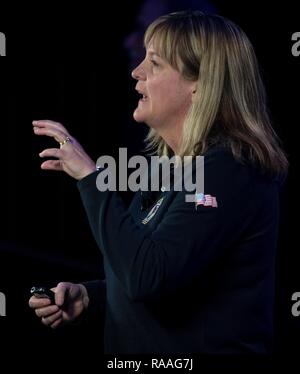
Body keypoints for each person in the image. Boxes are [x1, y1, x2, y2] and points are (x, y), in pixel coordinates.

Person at [29, 11, 288, 354]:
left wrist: (91, 179)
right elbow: (161, 273)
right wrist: (92, 295)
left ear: (200, 82)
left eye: (155, 63)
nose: (136, 72)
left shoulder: (231, 169)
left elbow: (148, 278)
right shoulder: (170, 168)